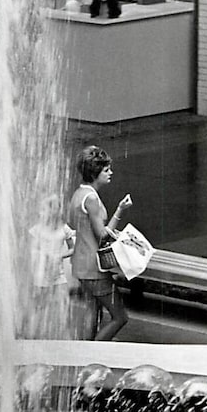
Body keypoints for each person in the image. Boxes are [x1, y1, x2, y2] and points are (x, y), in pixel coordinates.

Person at [67, 145, 132, 342]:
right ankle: (94, 352)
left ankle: (85, 353)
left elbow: (89, 229)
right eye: (106, 170)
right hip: (94, 269)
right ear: (96, 173)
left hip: (81, 264)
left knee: (93, 313)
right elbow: (102, 235)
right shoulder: (92, 199)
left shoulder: (79, 194)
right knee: (119, 317)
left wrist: (119, 209)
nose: (110, 173)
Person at [27, 195, 75, 338]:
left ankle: (61, 337)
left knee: (62, 306)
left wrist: (60, 256)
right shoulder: (38, 229)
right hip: (41, 273)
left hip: (58, 273)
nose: (41, 213)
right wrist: (43, 258)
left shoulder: (64, 229)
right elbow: (32, 250)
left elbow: (73, 248)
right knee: (38, 306)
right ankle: (32, 336)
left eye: (44, 209)